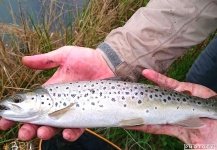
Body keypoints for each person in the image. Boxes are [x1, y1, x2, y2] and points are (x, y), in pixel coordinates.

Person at [0, 0, 217, 146]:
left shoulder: (53, 109)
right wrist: (113, 58)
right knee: (198, 80)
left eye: (18, 99)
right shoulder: (49, 107)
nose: (13, 103)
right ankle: (206, 106)